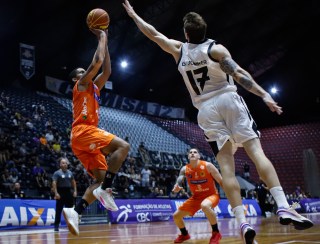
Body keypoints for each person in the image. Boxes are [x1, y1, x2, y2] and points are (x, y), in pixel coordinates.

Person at [122, 1, 314, 243]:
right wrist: (264, 95)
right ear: (205, 31)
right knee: (256, 153)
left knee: (227, 168)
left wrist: (134, 15)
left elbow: (153, 33)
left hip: (205, 111)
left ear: (186, 33)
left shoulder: (178, 50)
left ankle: (242, 223)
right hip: (228, 99)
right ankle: (283, 205)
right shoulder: (216, 49)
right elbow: (240, 74)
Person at [62, 25, 130, 236]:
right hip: (84, 131)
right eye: (82, 73)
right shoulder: (81, 85)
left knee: (99, 179)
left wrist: (106, 40)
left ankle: (75, 210)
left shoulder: (94, 88)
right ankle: (105, 189)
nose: (86, 73)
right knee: (123, 146)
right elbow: (97, 62)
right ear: (76, 79)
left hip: (82, 140)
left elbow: (107, 70)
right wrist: (100, 35)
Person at [171, 148, 223, 243]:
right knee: (176, 216)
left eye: (195, 152)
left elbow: (221, 181)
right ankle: (184, 235)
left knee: (205, 205)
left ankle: (216, 233)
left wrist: (230, 194)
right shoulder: (185, 169)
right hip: (196, 198)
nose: (192, 154)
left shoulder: (208, 166)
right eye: (190, 152)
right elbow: (180, 179)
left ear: (199, 156)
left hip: (211, 195)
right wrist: (177, 185)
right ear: (188, 156)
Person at [52, 157, 77, 232]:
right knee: (59, 210)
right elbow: (54, 183)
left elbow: (73, 182)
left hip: (69, 192)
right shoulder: (57, 173)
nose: (65, 164)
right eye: (63, 163)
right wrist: (56, 193)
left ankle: (70, 225)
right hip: (60, 192)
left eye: (66, 163)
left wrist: (75, 191)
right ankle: (56, 226)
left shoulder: (70, 173)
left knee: (70, 210)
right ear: (60, 164)